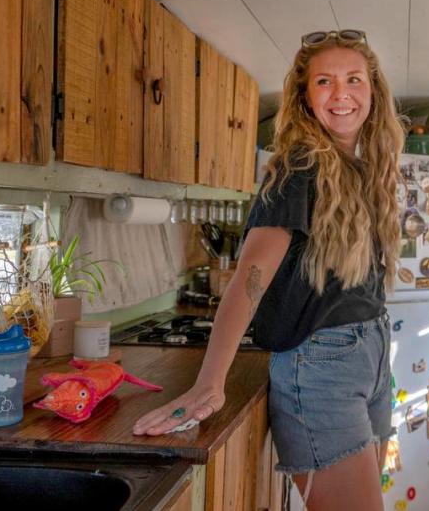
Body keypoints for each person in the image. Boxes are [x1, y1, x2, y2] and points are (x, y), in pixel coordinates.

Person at [133, 29, 405, 511]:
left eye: (353, 80)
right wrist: (210, 381)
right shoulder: (298, 167)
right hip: (323, 366)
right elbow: (250, 276)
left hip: (371, 353)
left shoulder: (359, 168)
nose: (341, 95)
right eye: (324, 82)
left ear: (373, 92)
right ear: (305, 98)